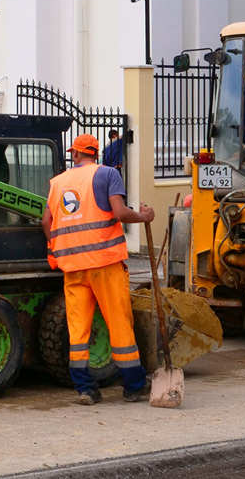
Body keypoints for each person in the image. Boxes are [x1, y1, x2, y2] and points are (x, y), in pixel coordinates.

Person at [43, 133, 155, 405]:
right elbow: (119, 213)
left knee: (78, 329)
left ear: (76, 154)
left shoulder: (57, 182)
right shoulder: (107, 174)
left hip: (72, 268)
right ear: (95, 152)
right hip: (104, 264)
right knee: (119, 324)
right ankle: (133, 387)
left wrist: (54, 249)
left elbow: (46, 220)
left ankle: (85, 389)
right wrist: (144, 216)